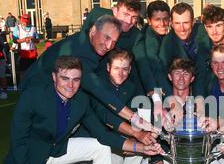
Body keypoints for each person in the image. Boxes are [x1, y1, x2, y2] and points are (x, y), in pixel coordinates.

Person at [0, 56, 163, 164]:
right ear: (54, 77)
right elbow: (18, 142)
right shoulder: (33, 96)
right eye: (65, 78)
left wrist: (143, 148)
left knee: (100, 147)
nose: (70, 85)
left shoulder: (81, 100)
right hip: (31, 161)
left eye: (76, 80)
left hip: (57, 151)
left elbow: (103, 135)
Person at [20, 9, 155, 133]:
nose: (109, 46)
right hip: (36, 93)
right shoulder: (80, 52)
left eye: (114, 41)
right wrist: (136, 119)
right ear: (93, 31)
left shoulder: (88, 42)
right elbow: (98, 90)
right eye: (106, 38)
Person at [53, 48, 156, 164]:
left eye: (125, 69)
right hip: (87, 135)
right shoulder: (97, 85)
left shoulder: (131, 86)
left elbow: (134, 115)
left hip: (109, 133)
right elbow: (105, 116)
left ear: (129, 70)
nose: (121, 73)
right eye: (116, 68)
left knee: (143, 132)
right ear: (108, 68)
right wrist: (135, 134)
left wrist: (140, 135)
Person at [136, 58, 224, 164]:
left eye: (186, 74)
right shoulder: (161, 103)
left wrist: (213, 124)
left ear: (192, 78)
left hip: (196, 156)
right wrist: (158, 163)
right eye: (177, 73)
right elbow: (151, 135)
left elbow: (222, 120)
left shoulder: (200, 102)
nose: (181, 78)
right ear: (170, 77)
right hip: (168, 155)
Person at [13, 13, 39, 81]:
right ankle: (23, 87)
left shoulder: (33, 28)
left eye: (27, 22)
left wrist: (32, 39)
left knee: (34, 71)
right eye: (24, 22)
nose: (25, 24)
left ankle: (33, 86)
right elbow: (15, 40)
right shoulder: (17, 28)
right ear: (21, 20)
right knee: (23, 72)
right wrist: (24, 40)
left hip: (32, 52)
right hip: (22, 52)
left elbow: (38, 40)